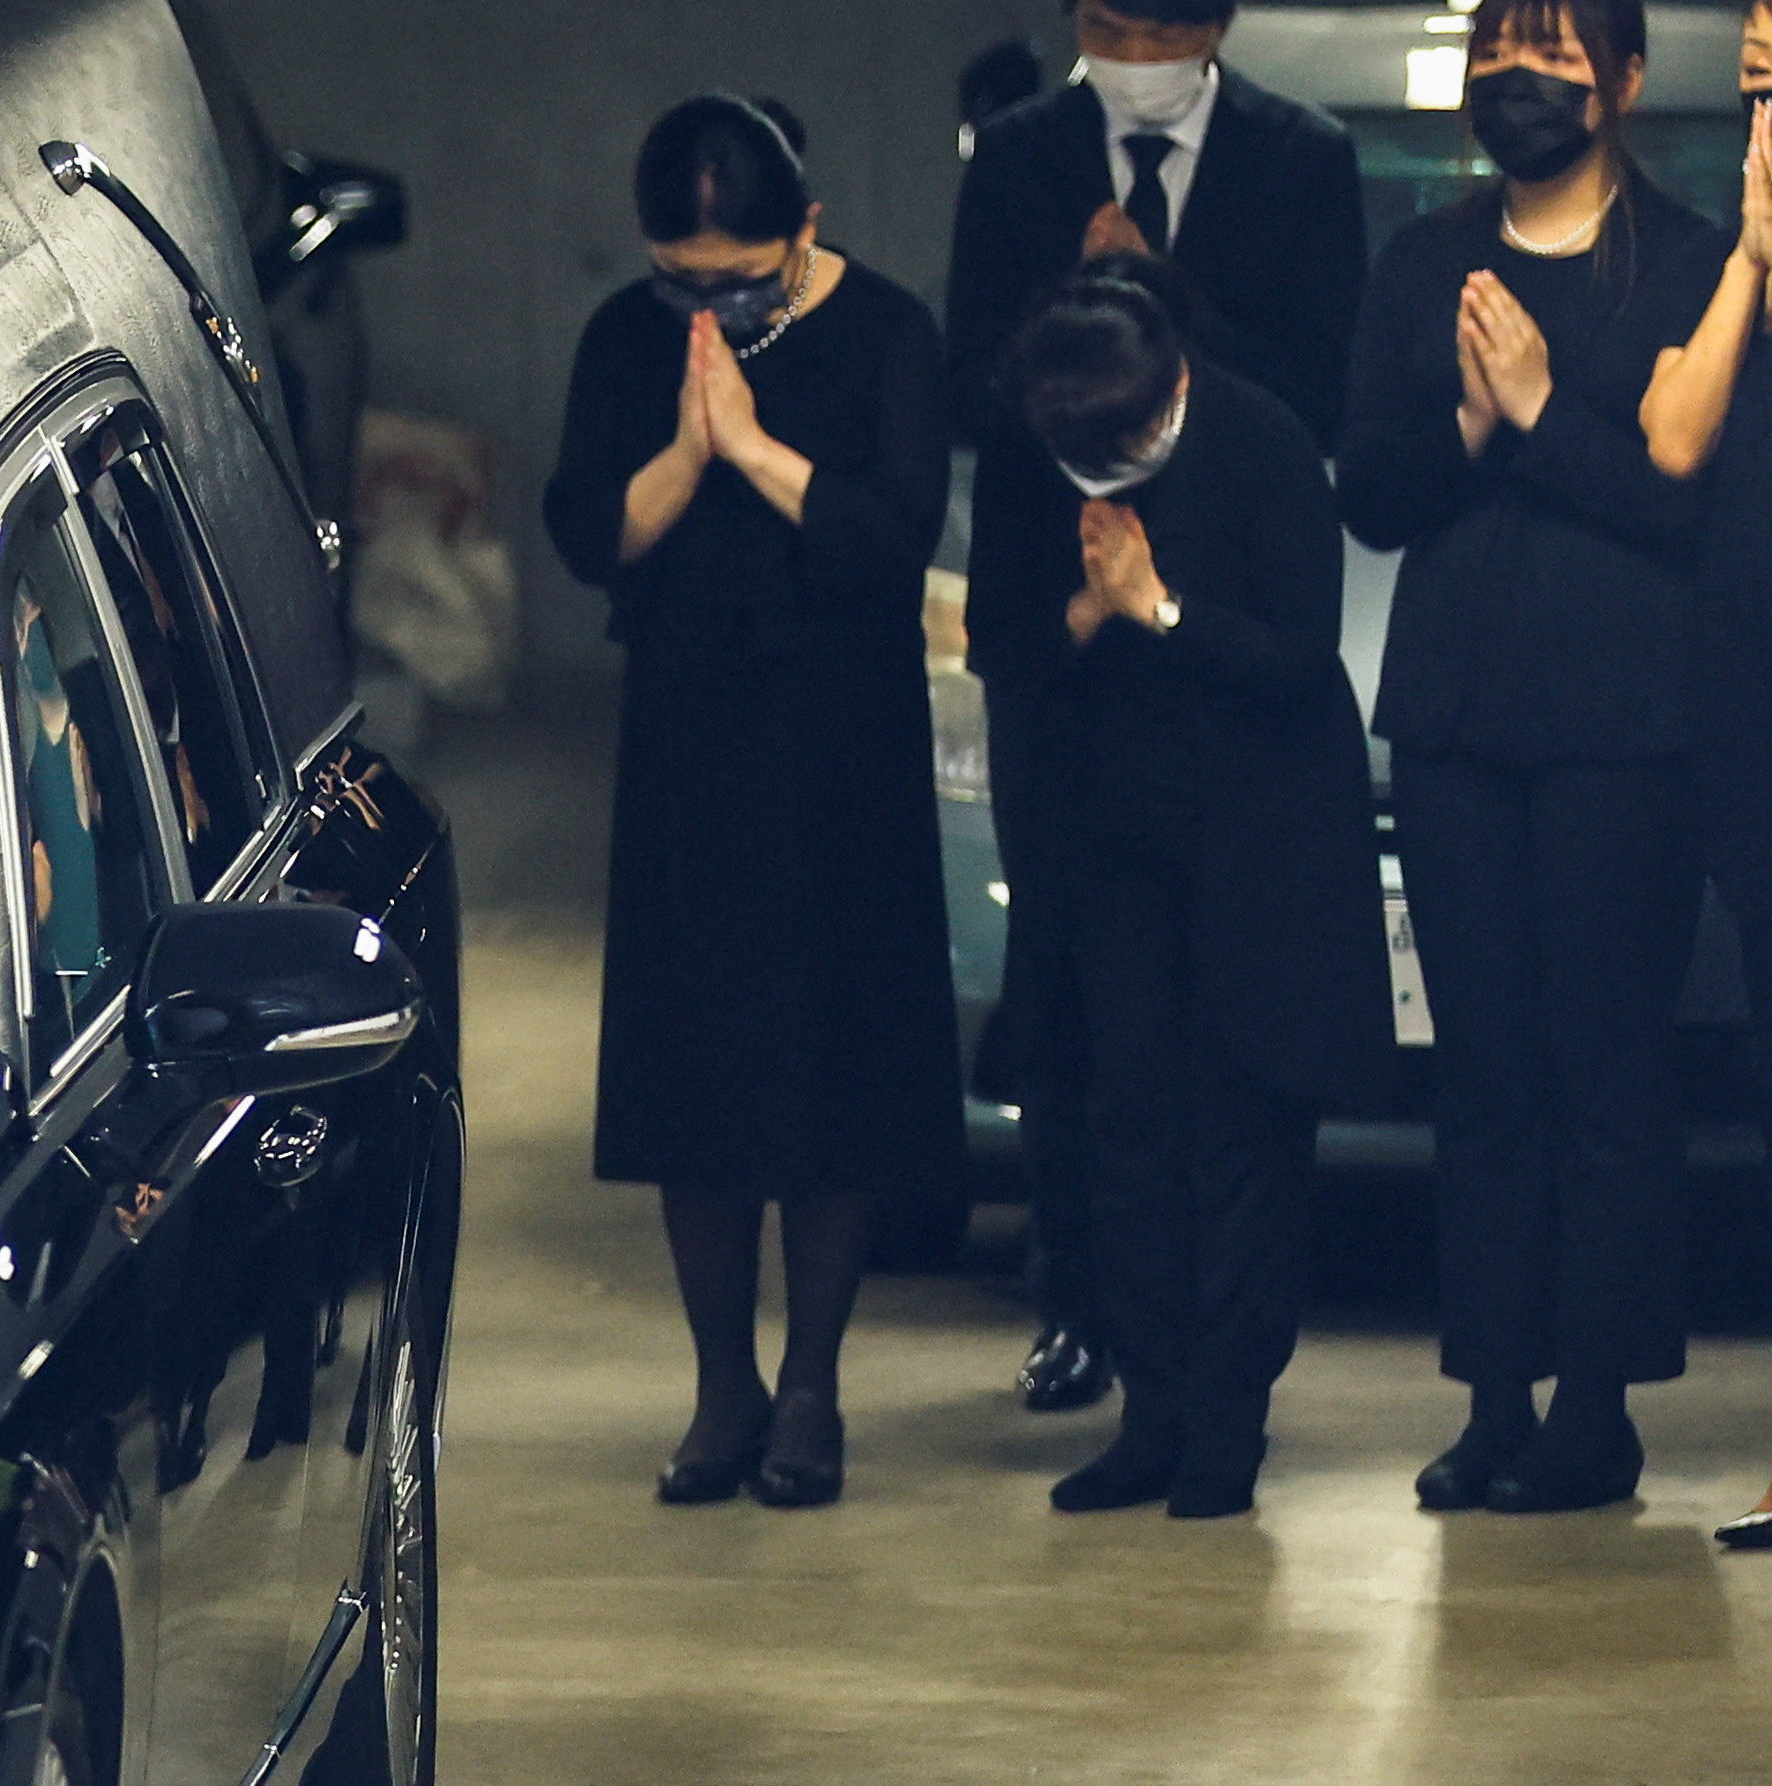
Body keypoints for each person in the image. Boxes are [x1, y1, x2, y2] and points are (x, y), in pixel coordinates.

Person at [945, 0, 1366, 1415]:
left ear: (1217, 28)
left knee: (1221, 1007)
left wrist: (1165, 298)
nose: (1142, 48)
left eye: (1169, 25)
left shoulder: (1301, 155)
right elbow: (966, 387)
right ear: (1083, 22)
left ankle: (1216, 1351)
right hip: (1053, 638)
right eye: (1120, 22)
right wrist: (1065, 332)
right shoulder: (1014, 153)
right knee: (1073, 998)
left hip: (1221, 609)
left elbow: (1323, 388)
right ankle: (1080, 1309)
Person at [543, 93, 962, 1508]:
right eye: (684, 276)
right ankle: (722, 1383)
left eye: (739, 276)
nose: (708, 299)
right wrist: (685, 447)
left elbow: (891, 534)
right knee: (697, 1066)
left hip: (841, 734)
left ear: (807, 229)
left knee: (830, 1067)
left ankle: (813, 1389)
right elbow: (592, 535)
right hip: (689, 731)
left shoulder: (890, 329)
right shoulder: (624, 336)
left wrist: (757, 449)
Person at [1339, 0, 1724, 1515]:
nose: (1521, 75)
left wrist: (1545, 410)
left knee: (1607, 1067)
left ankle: (1599, 1404)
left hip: (1630, 732)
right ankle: (1493, 1393)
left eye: (1556, 52)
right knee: (1483, 1070)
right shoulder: (1424, 263)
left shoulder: (1691, 263)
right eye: (1499, 48)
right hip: (1451, 726)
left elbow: (1688, 511)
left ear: (1622, 80)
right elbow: (1374, 494)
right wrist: (1474, 422)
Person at [1004, 259, 1384, 1517]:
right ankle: (1150, 1411)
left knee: (1241, 1141)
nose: (1103, 463)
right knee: (1131, 1135)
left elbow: (1299, 658)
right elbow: (1004, 642)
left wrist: (1153, 607)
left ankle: (1229, 1421)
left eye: (1125, 441)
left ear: (1172, 380)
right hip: (1112, 848)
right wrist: (1081, 609)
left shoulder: (1262, 440)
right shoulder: (1046, 441)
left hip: (1258, 849)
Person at [1639, 0, 1772, 1547]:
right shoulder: (1746, 262)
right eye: (1753, 77)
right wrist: (1755, 258)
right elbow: (1671, 437)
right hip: (1769, 732)